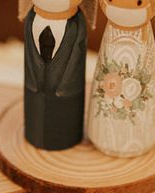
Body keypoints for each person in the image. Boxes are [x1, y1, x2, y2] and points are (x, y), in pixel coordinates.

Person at [87, 0, 155, 158]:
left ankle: (141, 136)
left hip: (143, 138)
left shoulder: (143, 37)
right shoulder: (111, 34)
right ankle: (103, 134)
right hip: (114, 39)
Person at [19, 0, 97, 151]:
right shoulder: (31, 19)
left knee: (65, 129)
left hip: (67, 104)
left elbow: (75, 60)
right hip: (33, 101)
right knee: (34, 124)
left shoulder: (76, 24)